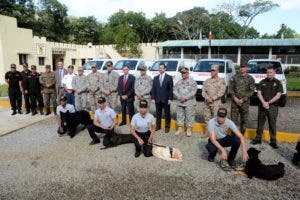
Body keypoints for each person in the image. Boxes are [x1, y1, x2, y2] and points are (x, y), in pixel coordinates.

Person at [251, 66, 283, 149]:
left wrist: (268, 102)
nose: (268, 74)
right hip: (262, 105)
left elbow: (278, 95)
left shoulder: (278, 82)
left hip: (272, 107)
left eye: (270, 72)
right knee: (260, 123)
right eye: (267, 72)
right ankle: (258, 138)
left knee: (272, 124)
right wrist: (263, 102)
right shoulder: (262, 81)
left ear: (274, 72)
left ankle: (273, 141)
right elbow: (259, 93)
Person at [229, 64, 255, 135]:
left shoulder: (250, 78)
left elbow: (251, 91)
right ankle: (233, 135)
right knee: (233, 120)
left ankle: (241, 135)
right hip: (235, 102)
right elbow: (230, 88)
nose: (242, 69)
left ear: (246, 68)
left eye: (243, 67)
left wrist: (243, 99)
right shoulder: (234, 77)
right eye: (241, 67)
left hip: (245, 103)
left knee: (244, 120)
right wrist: (234, 98)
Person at [202, 64, 226, 135]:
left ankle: (216, 132)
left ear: (217, 71)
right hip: (207, 102)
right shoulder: (207, 81)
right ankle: (208, 131)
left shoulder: (221, 81)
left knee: (216, 118)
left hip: (216, 103)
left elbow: (222, 91)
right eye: (211, 70)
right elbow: (203, 91)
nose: (212, 72)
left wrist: (212, 98)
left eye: (214, 70)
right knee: (207, 117)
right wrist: (207, 98)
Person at [173, 67, 197, 136]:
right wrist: (179, 97)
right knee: (179, 115)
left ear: (187, 73)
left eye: (184, 73)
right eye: (182, 73)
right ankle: (180, 128)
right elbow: (174, 90)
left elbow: (194, 91)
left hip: (189, 102)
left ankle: (189, 129)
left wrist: (185, 98)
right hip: (180, 102)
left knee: (189, 116)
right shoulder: (179, 82)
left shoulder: (192, 82)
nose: (183, 74)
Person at [151, 63, 173, 133]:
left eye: (162, 68)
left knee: (167, 113)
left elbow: (171, 89)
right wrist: (153, 98)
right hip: (157, 99)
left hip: (166, 99)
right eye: (159, 68)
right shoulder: (155, 78)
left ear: (165, 69)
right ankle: (158, 126)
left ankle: (167, 126)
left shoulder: (169, 77)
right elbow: (153, 89)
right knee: (158, 113)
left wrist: (170, 99)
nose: (160, 69)